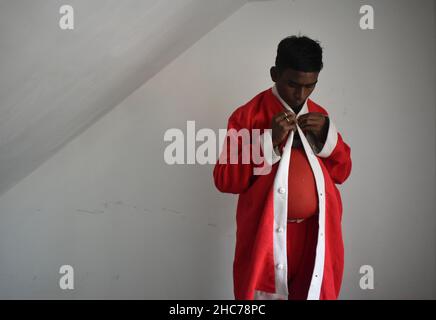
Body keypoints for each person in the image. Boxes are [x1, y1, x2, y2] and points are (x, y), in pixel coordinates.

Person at [213, 35, 352, 300]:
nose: (301, 94)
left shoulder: (319, 115)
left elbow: (343, 172)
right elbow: (224, 179)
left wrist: (327, 137)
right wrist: (268, 141)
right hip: (264, 237)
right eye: (293, 84)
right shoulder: (248, 115)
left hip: (315, 234)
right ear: (274, 74)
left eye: (310, 86)